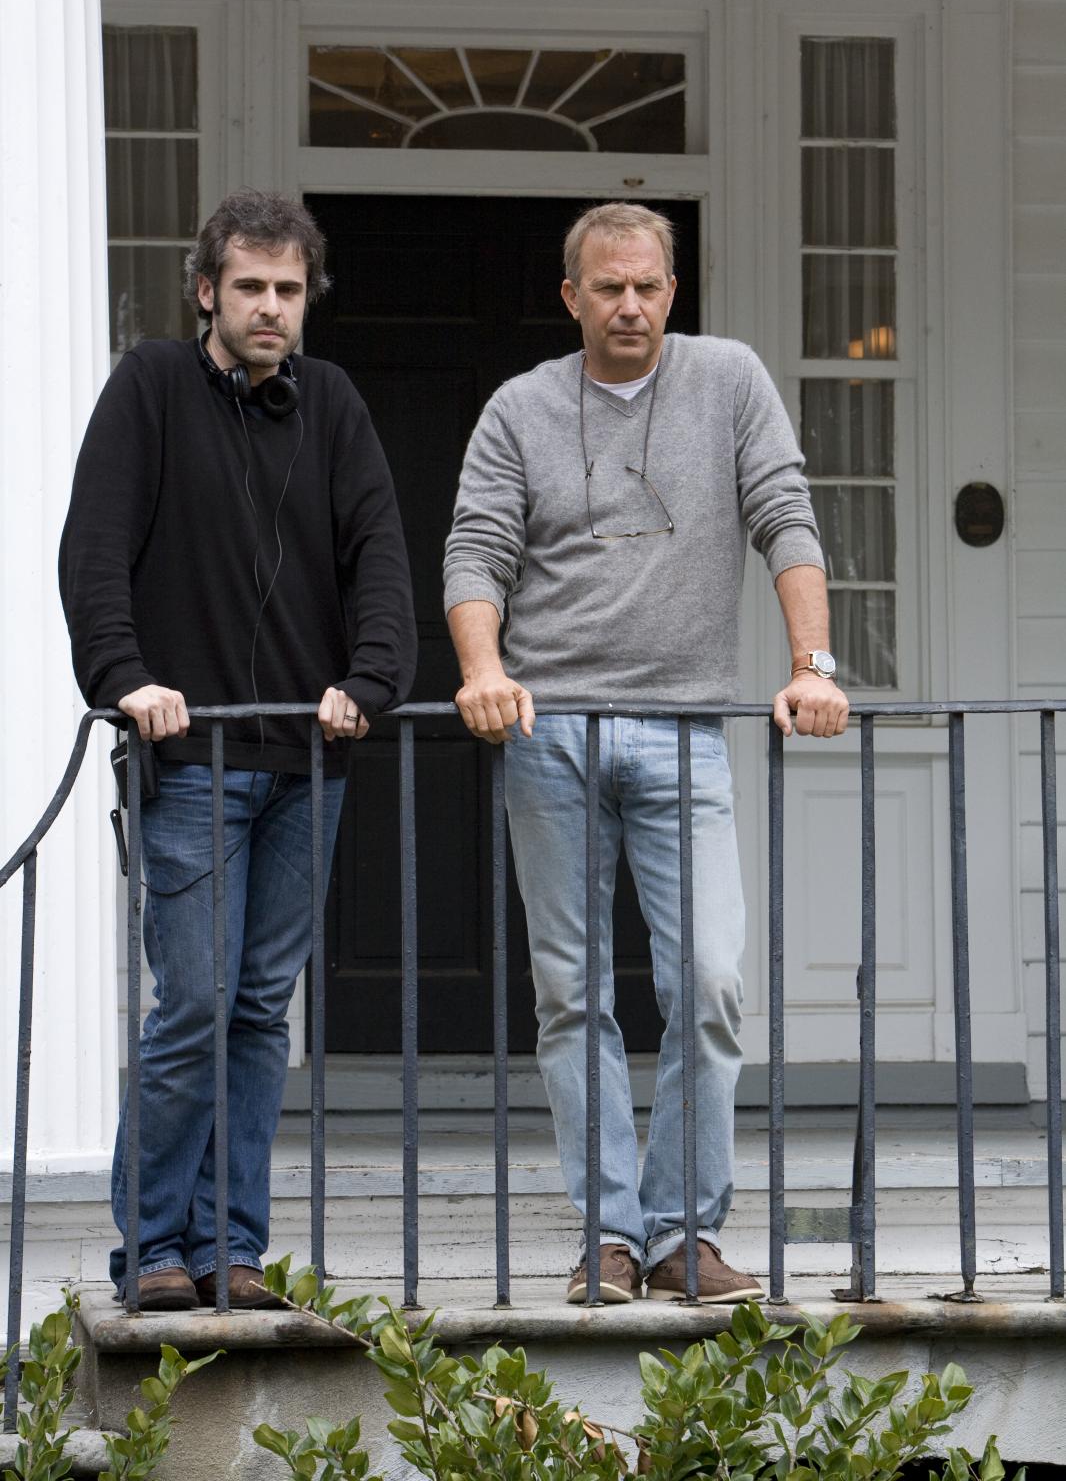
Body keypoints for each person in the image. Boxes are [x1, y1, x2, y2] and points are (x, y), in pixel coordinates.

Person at [443, 201, 848, 1305]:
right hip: (550, 734)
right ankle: (608, 1236)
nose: (630, 304)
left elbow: (785, 516)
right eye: (608, 287)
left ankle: (681, 1232)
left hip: (684, 731)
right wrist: (482, 670)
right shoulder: (520, 406)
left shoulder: (729, 381)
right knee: (572, 995)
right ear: (570, 297)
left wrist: (812, 662)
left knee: (709, 982)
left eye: (648, 286)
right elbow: (476, 548)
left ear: (673, 291)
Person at [60, 190, 416, 1309]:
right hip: (191, 760)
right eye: (250, 286)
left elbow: (380, 557)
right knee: (197, 1003)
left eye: (289, 289)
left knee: (262, 1011)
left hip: (308, 764)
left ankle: (230, 1246)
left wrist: (372, 679)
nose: (270, 307)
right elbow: (94, 552)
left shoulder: (334, 403)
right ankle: (154, 1248)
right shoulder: (151, 386)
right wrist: (124, 680)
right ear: (206, 290)